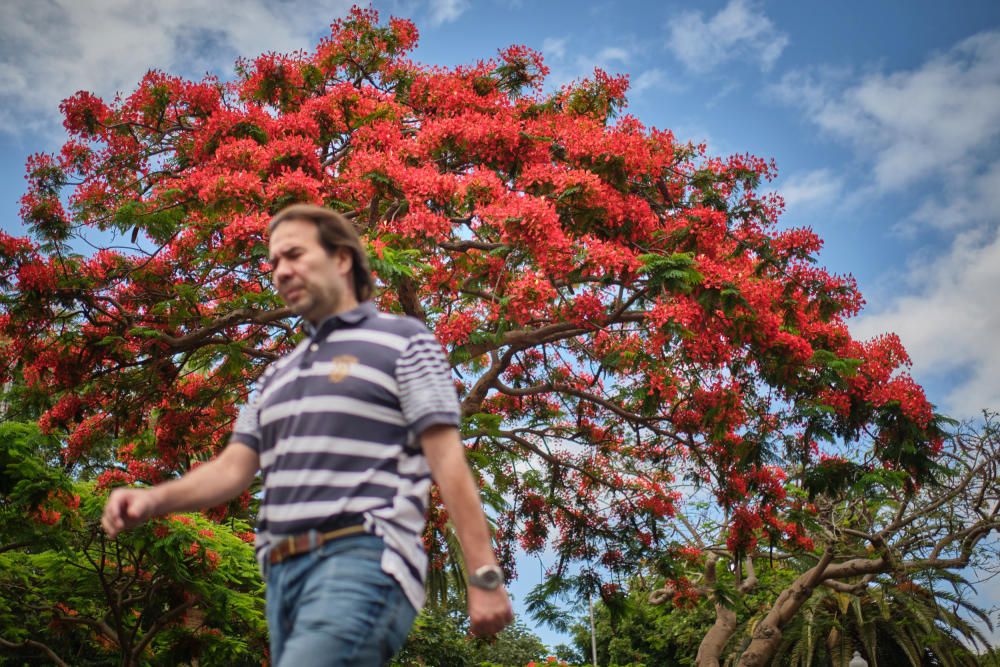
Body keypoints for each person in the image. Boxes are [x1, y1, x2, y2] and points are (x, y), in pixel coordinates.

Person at [101, 203, 514, 665]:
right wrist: (151, 500)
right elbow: (232, 469)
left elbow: (447, 461)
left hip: (361, 557)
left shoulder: (403, 341)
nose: (280, 271)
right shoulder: (277, 375)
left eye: (294, 254)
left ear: (341, 259)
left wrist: (483, 576)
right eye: (274, 262)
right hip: (282, 578)